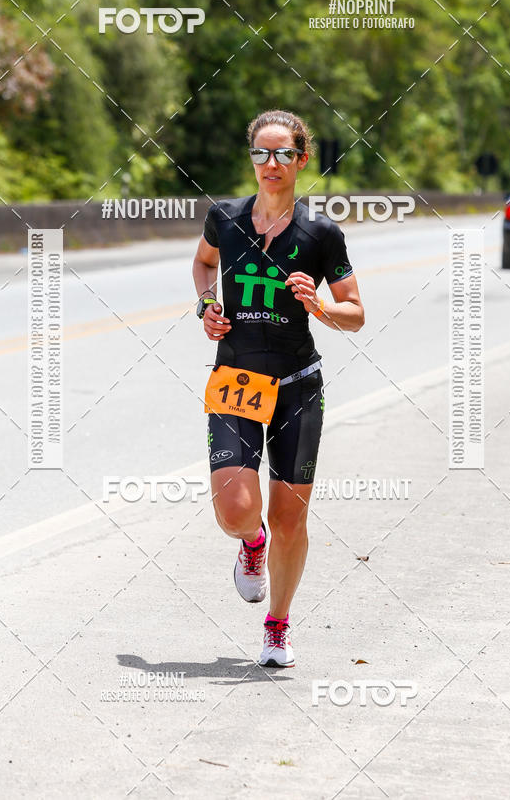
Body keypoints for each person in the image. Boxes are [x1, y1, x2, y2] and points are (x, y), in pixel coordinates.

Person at [192, 109, 364, 667]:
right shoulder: (224, 217)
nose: (271, 163)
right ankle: (252, 543)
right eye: (261, 153)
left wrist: (319, 305)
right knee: (234, 511)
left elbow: (356, 313)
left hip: (297, 386)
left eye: (283, 153)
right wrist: (207, 304)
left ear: (301, 159)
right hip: (236, 379)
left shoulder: (320, 233)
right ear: (252, 159)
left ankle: (277, 625)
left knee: (291, 519)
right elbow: (203, 265)